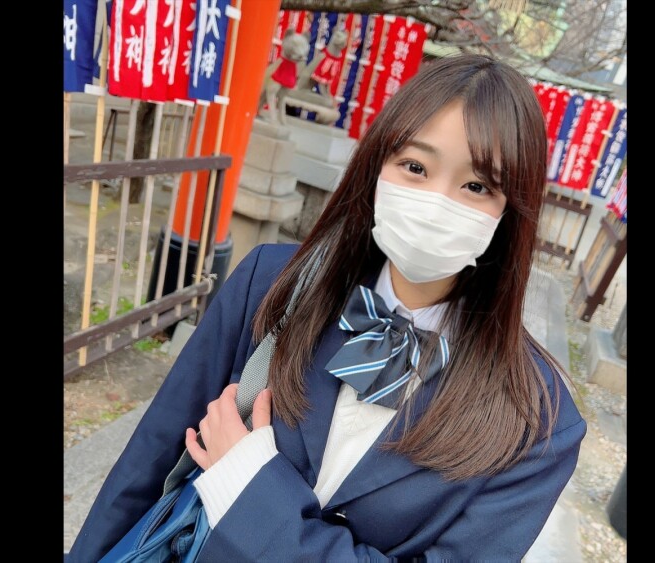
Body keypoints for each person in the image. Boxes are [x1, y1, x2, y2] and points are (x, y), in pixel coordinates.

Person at [68, 53, 587, 562]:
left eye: (476, 186)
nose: (437, 203)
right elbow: (150, 460)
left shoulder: (538, 424)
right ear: (377, 166)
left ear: (510, 210)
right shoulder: (273, 283)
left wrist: (248, 485)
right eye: (415, 166)